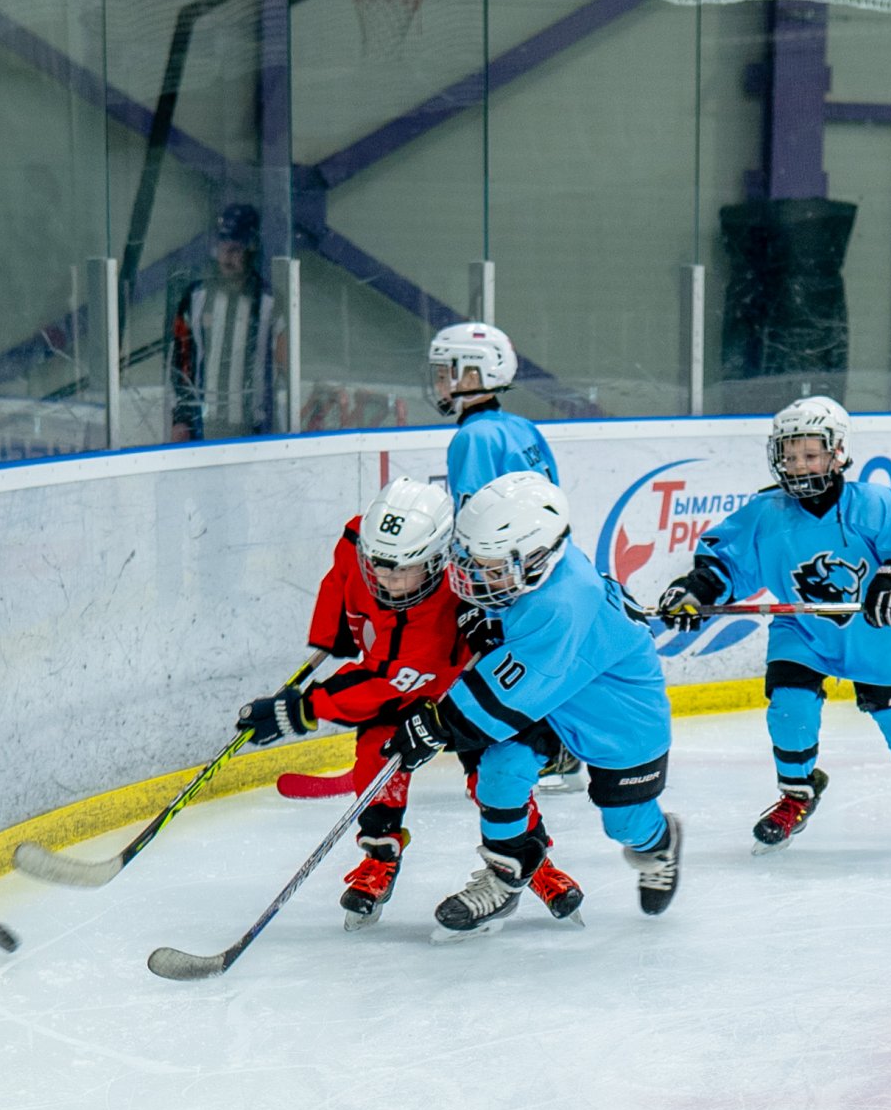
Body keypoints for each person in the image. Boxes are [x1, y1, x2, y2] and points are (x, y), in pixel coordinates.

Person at [231, 476, 581, 927]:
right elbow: (343, 575)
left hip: (459, 696)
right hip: (398, 684)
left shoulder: (443, 604)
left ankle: (528, 859)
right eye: (378, 566)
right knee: (373, 761)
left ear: (437, 561)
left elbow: (383, 680)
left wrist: (302, 709)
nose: (385, 578)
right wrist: (333, 631)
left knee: (491, 781)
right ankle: (380, 857)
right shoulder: (362, 543)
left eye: (402, 570)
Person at [656, 394, 891, 847]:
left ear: (838, 452)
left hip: (875, 631)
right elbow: (725, 564)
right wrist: (696, 591)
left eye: (810, 455)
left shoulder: (874, 505)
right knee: (790, 706)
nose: (799, 466)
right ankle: (797, 793)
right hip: (803, 630)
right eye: (789, 456)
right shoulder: (766, 514)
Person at [385, 471, 681, 939]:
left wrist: (438, 724)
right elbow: (513, 645)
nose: (478, 576)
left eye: (492, 568)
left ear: (538, 556)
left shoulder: (562, 604)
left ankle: (658, 846)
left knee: (626, 824)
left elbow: (506, 698)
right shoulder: (533, 571)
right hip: (554, 699)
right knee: (501, 770)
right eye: (476, 562)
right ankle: (507, 873)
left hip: (618, 718)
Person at [170, 203, 279, 442]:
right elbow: (181, 362)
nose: (228, 253)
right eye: (223, 243)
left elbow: (283, 368)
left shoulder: (270, 303)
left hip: (256, 432)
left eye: (238, 245)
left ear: (252, 248)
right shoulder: (195, 297)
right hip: (203, 428)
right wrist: (181, 418)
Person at [428, 322, 558, 504]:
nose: (438, 385)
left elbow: (473, 512)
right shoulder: (523, 426)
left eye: (443, 377)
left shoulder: (474, 437)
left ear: (471, 379)